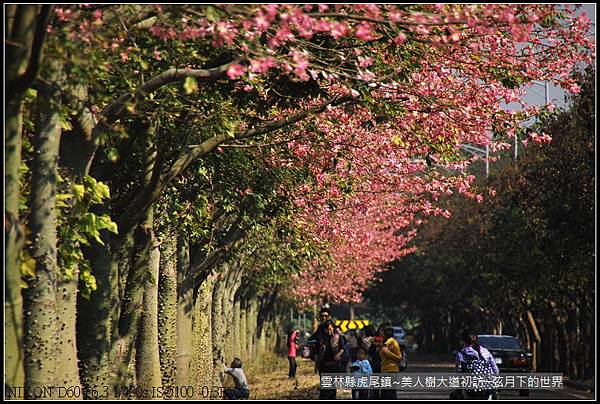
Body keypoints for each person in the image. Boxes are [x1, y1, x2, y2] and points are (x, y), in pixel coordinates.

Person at [455, 329, 499, 400]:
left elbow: (458, 372)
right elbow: (495, 370)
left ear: (463, 341)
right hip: (486, 389)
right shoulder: (485, 352)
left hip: (470, 390)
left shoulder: (461, 354)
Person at [316, 320, 350, 399]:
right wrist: (316, 365)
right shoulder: (321, 338)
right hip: (324, 366)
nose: (329, 331)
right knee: (324, 389)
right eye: (327, 329)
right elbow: (317, 353)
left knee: (332, 389)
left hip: (334, 366)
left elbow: (343, 348)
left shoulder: (337, 337)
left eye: (331, 329)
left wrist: (338, 354)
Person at [380, 326, 403, 400]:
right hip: (385, 370)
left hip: (392, 370)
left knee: (390, 392)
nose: (380, 333)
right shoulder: (385, 342)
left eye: (382, 331)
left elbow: (399, 357)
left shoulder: (393, 342)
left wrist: (387, 352)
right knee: (384, 393)